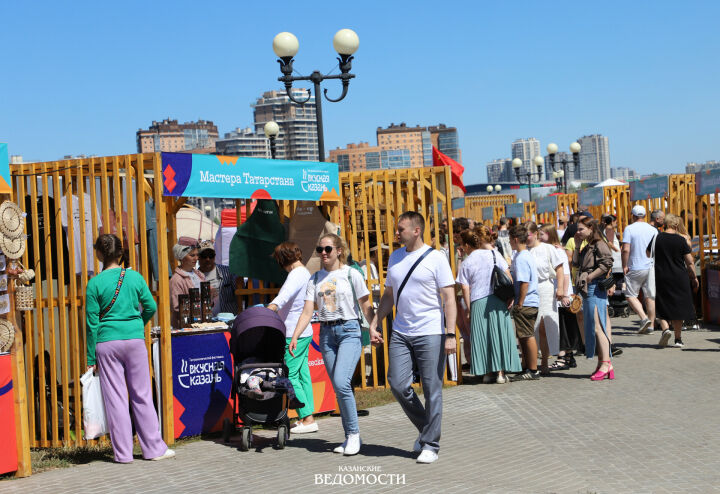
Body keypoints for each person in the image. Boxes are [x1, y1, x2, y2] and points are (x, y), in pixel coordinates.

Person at [368, 211, 457, 464]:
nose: (396, 233)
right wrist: (376, 321)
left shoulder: (436, 258)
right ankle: (426, 429)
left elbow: (449, 298)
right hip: (401, 331)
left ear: (417, 231)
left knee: (432, 389)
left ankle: (430, 443)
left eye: (401, 229)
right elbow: (389, 294)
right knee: (397, 384)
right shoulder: (395, 257)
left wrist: (450, 334)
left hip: (430, 331)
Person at [85, 234, 173, 463]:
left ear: (99, 254)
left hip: (106, 342)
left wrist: (90, 356)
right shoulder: (134, 277)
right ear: (121, 253)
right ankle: (153, 449)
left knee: (115, 398)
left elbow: (92, 323)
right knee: (142, 395)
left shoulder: (94, 283)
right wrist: (137, 324)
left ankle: (123, 454)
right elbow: (151, 306)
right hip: (134, 341)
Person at [289, 234, 374, 456]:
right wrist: (296, 335)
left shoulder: (351, 273)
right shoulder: (315, 278)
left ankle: (354, 434)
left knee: (341, 382)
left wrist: (374, 327)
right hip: (326, 333)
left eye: (328, 249)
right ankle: (350, 436)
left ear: (339, 250)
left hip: (349, 330)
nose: (323, 253)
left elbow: (365, 304)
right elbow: (308, 310)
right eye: (320, 249)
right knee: (339, 387)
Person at [456, 226, 521, 383]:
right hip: (498, 299)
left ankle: (486, 373)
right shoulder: (494, 254)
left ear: (467, 245)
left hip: (478, 300)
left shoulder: (467, 261)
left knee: (482, 337)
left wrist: (469, 307)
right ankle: (500, 373)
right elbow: (508, 277)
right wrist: (510, 296)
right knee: (500, 335)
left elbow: (464, 287)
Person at [268, 242, 316, 433]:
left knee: (291, 376)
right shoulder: (303, 272)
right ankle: (309, 416)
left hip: (292, 333)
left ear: (281, 260)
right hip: (303, 331)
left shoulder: (295, 275)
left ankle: (307, 418)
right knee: (303, 375)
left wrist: (267, 311)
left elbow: (282, 298)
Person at [572, 217, 614, 380]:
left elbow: (607, 263)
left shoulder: (598, 243)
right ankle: (603, 363)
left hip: (595, 288)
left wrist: (590, 277)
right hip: (589, 288)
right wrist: (576, 246)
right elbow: (575, 263)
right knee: (593, 326)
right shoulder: (587, 244)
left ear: (591, 228)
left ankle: (606, 363)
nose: (578, 232)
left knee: (598, 326)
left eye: (581, 229)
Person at [650, 214, 699, 348]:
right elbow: (690, 262)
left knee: (662, 304)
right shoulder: (681, 240)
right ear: (676, 225)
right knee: (678, 306)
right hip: (679, 276)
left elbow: (648, 253)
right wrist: (694, 277)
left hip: (661, 276)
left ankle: (665, 329)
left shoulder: (656, 237)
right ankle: (678, 339)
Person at [526, 222, 565, 374]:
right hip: (529, 289)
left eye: (528, 235)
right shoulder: (523, 251)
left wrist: (560, 288)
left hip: (545, 288)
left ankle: (544, 361)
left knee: (544, 326)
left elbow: (559, 268)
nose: (526, 238)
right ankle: (531, 361)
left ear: (535, 233)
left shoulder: (547, 248)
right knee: (530, 326)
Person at [539, 224, 578, 370]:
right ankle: (568, 357)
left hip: (560, 295)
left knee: (562, 326)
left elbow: (565, 273)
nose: (539, 237)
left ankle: (562, 357)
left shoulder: (557, 251)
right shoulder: (548, 250)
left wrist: (564, 294)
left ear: (549, 234)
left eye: (542, 234)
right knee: (563, 326)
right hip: (555, 293)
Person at [508, 225, 541, 381]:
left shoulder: (521, 257)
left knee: (527, 336)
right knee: (523, 335)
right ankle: (527, 366)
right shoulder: (525, 255)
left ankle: (533, 369)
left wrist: (519, 302)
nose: (509, 243)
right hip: (530, 300)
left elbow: (524, 283)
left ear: (515, 240)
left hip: (526, 301)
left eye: (510, 240)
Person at [621, 205, 658, 334]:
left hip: (635, 266)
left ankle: (644, 318)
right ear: (644, 216)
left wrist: (624, 265)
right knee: (650, 296)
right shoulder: (653, 230)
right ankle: (651, 326)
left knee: (630, 295)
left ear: (633, 215)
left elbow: (626, 249)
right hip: (651, 266)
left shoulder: (629, 229)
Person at [169, 237, 205, 328]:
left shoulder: (199, 275)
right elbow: (177, 307)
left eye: (197, 255)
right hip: (185, 327)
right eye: (192, 255)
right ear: (181, 257)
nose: (196, 258)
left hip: (201, 325)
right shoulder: (176, 280)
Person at [197, 240, 239, 316]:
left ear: (214, 256)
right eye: (204, 256)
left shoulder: (228, 272)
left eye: (211, 255)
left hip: (228, 321)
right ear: (198, 258)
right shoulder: (194, 277)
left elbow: (239, 293)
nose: (208, 259)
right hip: (206, 323)